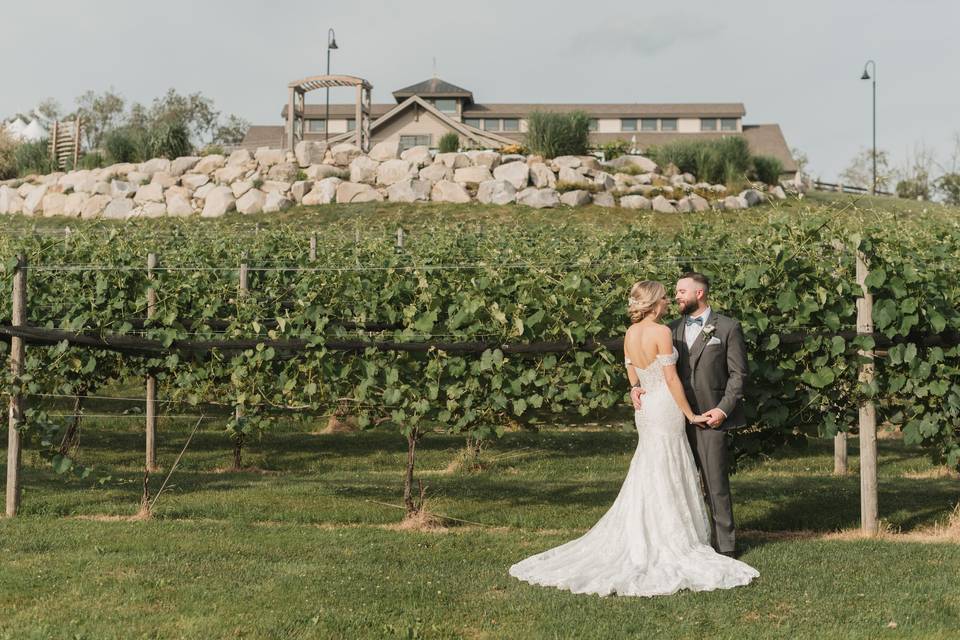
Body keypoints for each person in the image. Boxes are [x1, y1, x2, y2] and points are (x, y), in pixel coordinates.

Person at [508, 281, 758, 597]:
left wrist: (635, 387)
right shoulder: (665, 331)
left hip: (647, 407)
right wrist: (690, 414)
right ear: (655, 303)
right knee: (668, 467)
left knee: (653, 469)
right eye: (667, 296)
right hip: (667, 405)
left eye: (678, 293)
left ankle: (653, 534)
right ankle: (670, 538)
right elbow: (670, 379)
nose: (671, 300)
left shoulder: (630, 332)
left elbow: (630, 367)